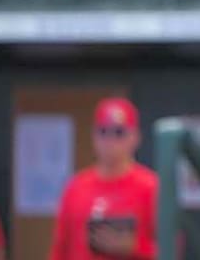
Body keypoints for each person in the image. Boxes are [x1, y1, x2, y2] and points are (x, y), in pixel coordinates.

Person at [50, 98, 157, 260]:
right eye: (103, 132)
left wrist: (135, 246)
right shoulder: (76, 187)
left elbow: (170, 250)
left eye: (119, 132)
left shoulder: (150, 187)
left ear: (135, 137)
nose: (110, 141)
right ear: (94, 136)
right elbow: (59, 249)